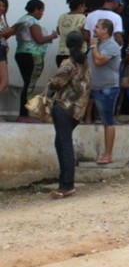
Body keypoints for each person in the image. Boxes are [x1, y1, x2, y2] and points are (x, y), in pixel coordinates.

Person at [49, 32, 91, 199]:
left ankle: (67, 184)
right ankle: (65, 182)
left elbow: (56, 82)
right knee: (61, 142)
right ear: (82, 44)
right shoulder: (85, 63)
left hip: (64, 106)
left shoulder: (68, 63)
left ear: (67, 44)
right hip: (77, 109)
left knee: (63, 143)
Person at [14, 0, 58, 121]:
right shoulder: (32, 21)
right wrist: (52, 36)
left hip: (20, 53)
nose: (42, 14)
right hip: (32, 56)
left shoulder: (22, 19)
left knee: (27, 83)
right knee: (29, 85)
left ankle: (24, 113)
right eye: (42, 11)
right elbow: (39, 39)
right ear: (36, 9)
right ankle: (24, 115)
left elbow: (8, 32)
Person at [88, 19, 122, 165]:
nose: (94, 29)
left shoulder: (112, 45)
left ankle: (108, 154)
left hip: (107, 87)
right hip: (93, 86)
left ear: (105, 31)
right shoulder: (97, 44)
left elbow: (99, 60)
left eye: (97, 27)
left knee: (107, 120)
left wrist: (93, 46)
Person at [55, 0, 86, 67]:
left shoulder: (62, 16)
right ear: (80, 6)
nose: (84, 9)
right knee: (76, 77)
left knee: (63, 77)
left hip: (60, 53)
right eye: (84, 6)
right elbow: (85, 36)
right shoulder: (82, 17)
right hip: (76, 55)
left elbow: (58, 31)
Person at [0, 0, 13, 93]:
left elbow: (3, 37)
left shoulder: (2, 20)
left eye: (4, 6)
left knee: (3, 82)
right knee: (4, 82)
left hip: (3, 49)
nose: (1, 8)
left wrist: (9, 33)